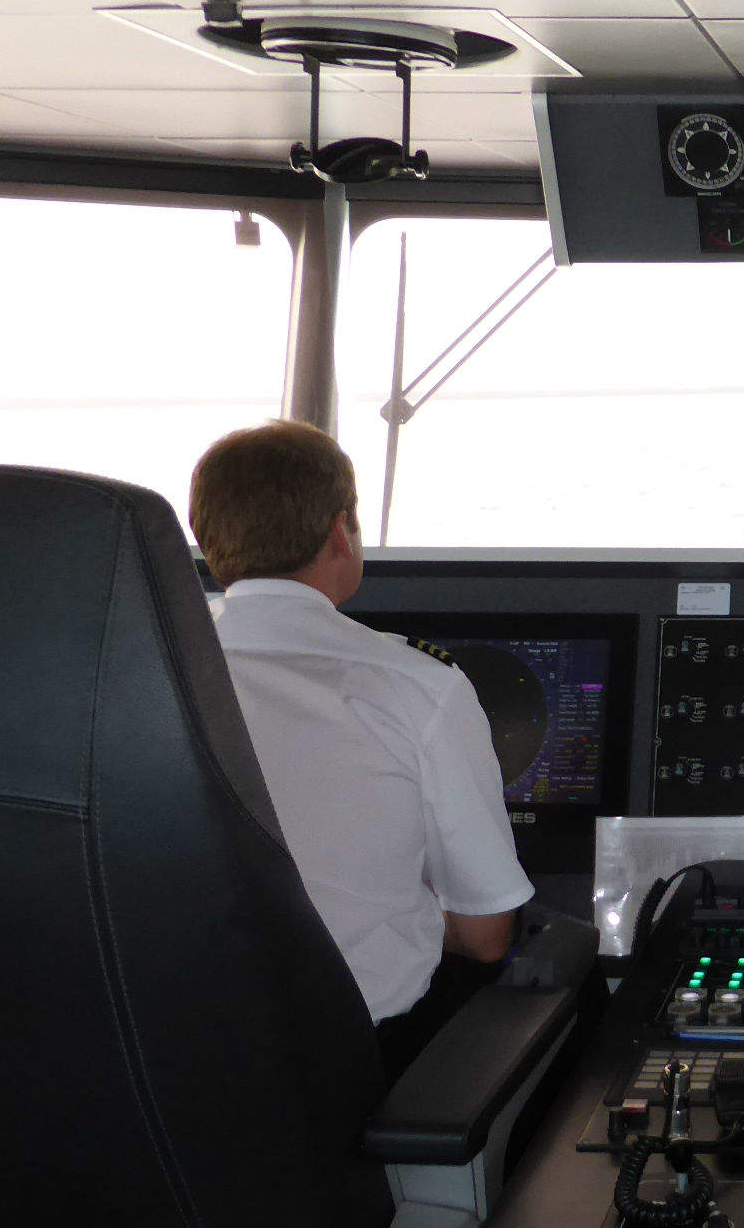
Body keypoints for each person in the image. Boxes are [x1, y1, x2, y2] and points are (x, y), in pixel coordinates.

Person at [189, 419, 533, 1080]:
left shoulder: (142, 666)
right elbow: (487, 937)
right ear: (341, 532)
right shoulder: (419, 686)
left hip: (162, 1048)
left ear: (207, 537)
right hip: (344, 1057)